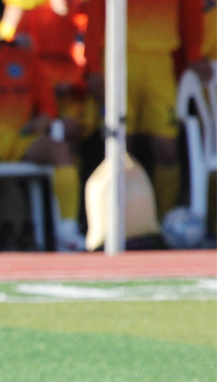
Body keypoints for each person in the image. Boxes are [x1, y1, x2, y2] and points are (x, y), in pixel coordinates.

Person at [0, 0, 84, 252]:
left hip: (22, 138)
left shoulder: (24, 58)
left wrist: (44, 118)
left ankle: (67, 230)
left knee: (60, 150)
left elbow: (48, 106)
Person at [86, 0, 208, 220]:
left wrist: (193, 54)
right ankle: (121, 222)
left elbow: (190, 9)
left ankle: (163, 223)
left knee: (167, 149)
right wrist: (92, 66)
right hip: (118, 57)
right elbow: (96, 11)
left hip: (160, 59)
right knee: (119, 146)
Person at [13, 0, 90, 151]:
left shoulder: (85, 19)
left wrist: (75, 86)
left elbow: (93, 72)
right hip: (35, 100)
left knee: (70, 128)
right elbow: (12, 61)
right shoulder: (31, 16)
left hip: (70, 101)